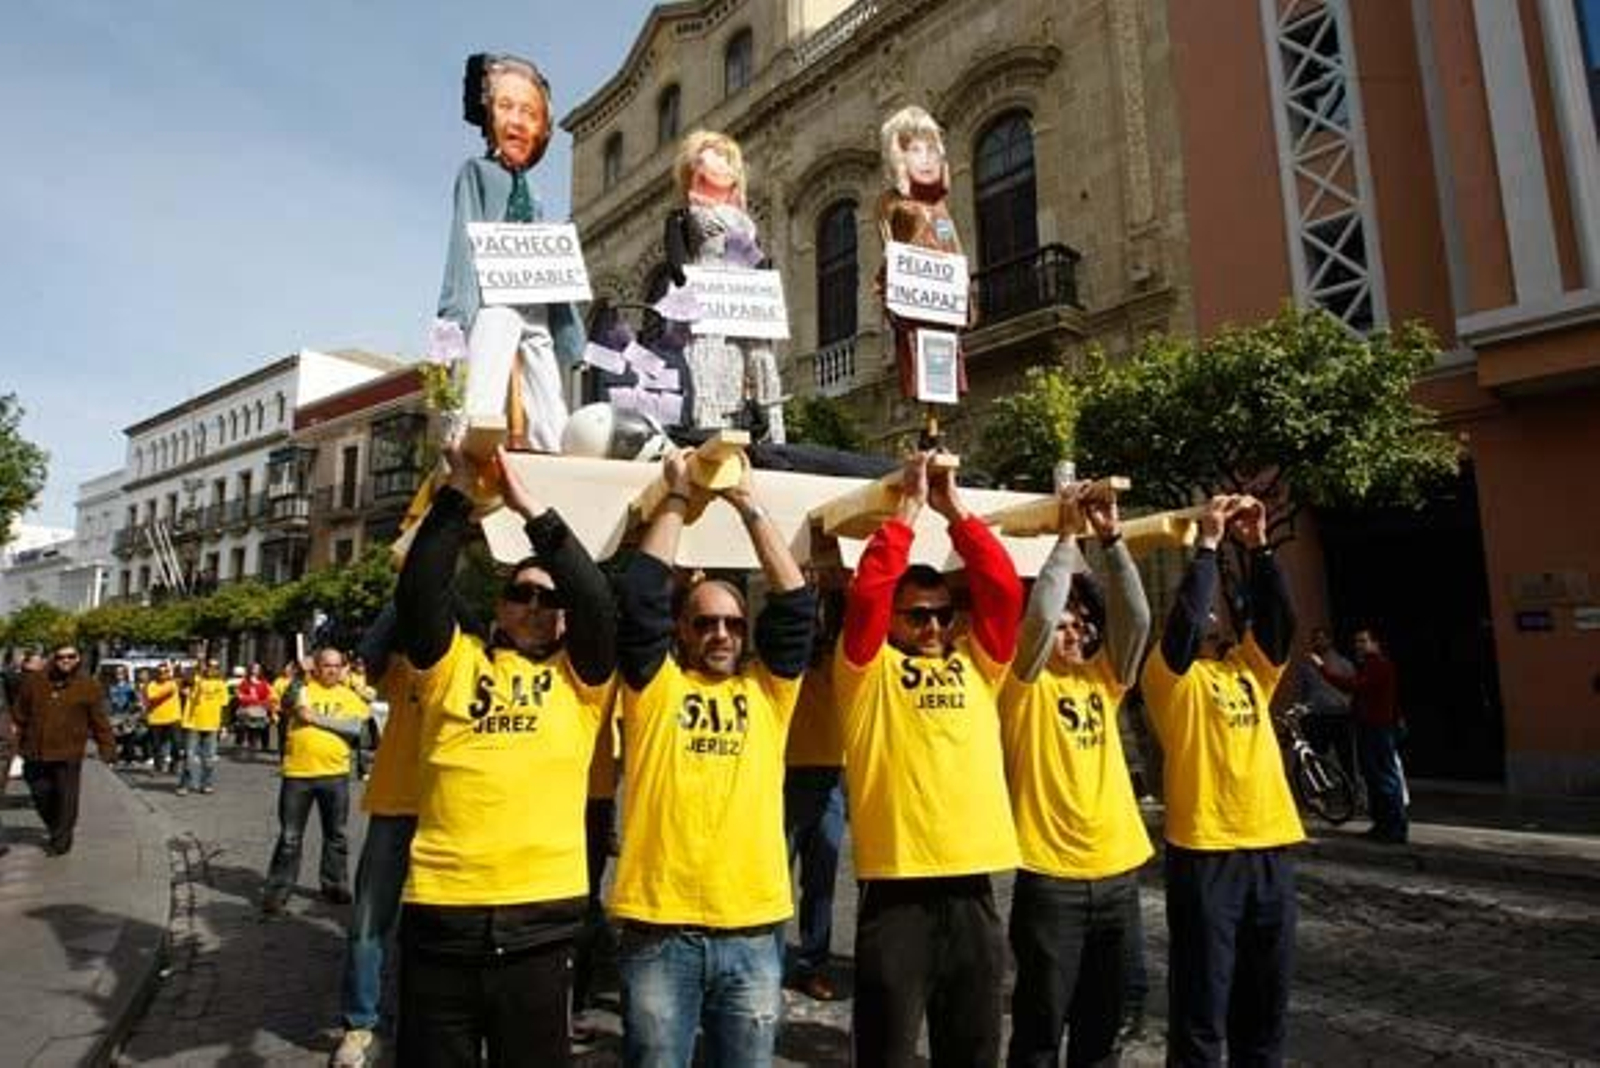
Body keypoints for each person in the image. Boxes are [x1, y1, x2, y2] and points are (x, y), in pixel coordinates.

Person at [394, 439, 617, 1066]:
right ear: (501, 604)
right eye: (523, 594)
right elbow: (418, 593)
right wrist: (459, 493)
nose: (538, 607)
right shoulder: (452, 665)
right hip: (442, 911)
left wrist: (529, 508)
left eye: (551, 600)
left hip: (541, 920)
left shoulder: (583, 684)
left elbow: (598, 600)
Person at [611, 448, 815, 1067]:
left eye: (732, 624)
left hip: (753, 930)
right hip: (659, 928)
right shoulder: (654, 688)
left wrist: (748, 501)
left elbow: (797, 604)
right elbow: (642, 596)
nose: (721, 634)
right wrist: (677, 496)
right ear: (683, 632)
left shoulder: (771, 692)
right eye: (704, 624)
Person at [834, 452, 1024, 1067]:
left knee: (973, 1050)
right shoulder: (867, 672)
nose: (936, 627)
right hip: (897, 894)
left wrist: (956, 511)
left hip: (974, 889)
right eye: (918, 615)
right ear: (894, 622)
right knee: (886, 1052)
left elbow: (1000, 589)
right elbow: (866, 596)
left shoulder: (979, 664)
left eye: (944, 614)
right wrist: (909, 511)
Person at [1140, 494, 1300, 1066]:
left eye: (1219, 609)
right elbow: (1182, 627)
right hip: (1206, 854)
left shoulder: (1253, 669)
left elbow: (1279, 618)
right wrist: (1206, 547)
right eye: (1203, 607)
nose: (1210, 615)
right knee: (1203, 1008)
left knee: (1267, 1006)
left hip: (1271, 850)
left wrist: (1256, 543)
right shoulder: (1168, 678)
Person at [999, 482, 1153, 1067]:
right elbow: (1038, 618)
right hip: (1051, 881)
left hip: (1117, 875)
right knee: (1041, 1027)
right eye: (1064, 624)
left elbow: (1136, 620)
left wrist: (1111, 538)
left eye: (1079, 624)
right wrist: (1066, 537)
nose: (1072, 633)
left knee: (1104, 1026)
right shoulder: (1021, 685)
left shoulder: (1103, 681)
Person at [439, 53, 584, 451]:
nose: (518, 121)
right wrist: (453, 316)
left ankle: (554, 444)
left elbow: (540, 247)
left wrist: (568, 319)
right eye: (506, 107)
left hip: (534, 297)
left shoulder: (534, 192)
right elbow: (463, 239)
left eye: (530, 112)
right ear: (489, 116)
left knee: (544, 369)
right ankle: (472, 437)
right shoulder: (476, 172)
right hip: (495, 293)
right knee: (490, 353)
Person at [663, 130, 785, 441]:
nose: (721, 163)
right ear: (694, 164)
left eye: (727, 158)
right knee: (711, 364)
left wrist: (765, 283)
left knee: (754, 362)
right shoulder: (683, 214)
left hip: (744, 300)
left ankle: (762, 426)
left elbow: (756, 257)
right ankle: (709, 426)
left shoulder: (745, 218)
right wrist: (687, 283)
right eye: (713, 154)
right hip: (708, 296)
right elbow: (676, 262)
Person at [779, 577, 847, 1001]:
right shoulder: (786, 662)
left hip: (829, 780)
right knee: (774, 878)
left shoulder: (840, 658)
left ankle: (813, 964)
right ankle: (767, 962)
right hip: (783, 777)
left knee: (820, 883)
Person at [262, 648, 369, 914]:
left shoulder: (348, 696)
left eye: (336, 665)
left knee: (337, 835)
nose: (331, 670)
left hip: (335, 774)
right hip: (298, 774)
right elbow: (287, 704)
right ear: (316, 667)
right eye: (326, 665)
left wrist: (316, 719)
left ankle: (334, 885)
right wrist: (299, 674)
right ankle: (277, 890)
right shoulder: (302, 689)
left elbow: (357, 729)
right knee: (289, 837)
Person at [10, 644, 116, 855]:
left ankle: (61, 838)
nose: (66, 660)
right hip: (35, 750)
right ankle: (56, 826)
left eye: (71, 656)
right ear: (53, 658)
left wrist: (107, 749)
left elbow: (99, 721)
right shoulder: (35, 682)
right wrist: (13, 743)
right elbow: (19, 714)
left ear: (78, 659)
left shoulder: (88, 686)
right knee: (41, 793)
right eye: (61, 657)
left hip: (68, 750)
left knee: (66, 796)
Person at [1319, 626, 1407, 844]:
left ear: (1375, 644)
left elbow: (1355, 687)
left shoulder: (1378, 665)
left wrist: (1323, 670)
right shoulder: (1368, 665)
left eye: (1363, 641)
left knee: (1385, 778)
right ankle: (1381, 825)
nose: (1358, 645)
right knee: (1374, 778)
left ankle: (1395, 828)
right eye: (1357, 641)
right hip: (1370, 727)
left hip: (1378, 728)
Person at [1296, 627, 1355, 778]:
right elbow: (1302, 691)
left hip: (1339, 716)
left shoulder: (1344, 663)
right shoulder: (1306, 666)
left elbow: (1353, 689)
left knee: (1346, 757)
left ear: (1329, 640)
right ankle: (1323, 792)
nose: (1318, 642)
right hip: (1316, 717)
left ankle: (1352, 792)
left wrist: (1346, 706)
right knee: (1318, 756)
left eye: (1321, 638)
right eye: (1315, 639)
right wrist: (1303, 714)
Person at [179, 660, 229, 796]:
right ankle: (184, 784)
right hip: (192, 723)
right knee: (189, 758)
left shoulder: (221, 684)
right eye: (210, 666)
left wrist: (224, 726)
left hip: (212, 725)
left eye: (215, 667)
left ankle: (206, 784)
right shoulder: (195, 679)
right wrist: (197, 666)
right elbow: (184, 679)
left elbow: (225, 706)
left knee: (209, 759)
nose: (212, 669)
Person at [144, 662, 183, 773]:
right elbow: (152, 697)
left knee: (177, 743)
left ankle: (174, 764)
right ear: (156, 673)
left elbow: (184, 682)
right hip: (156, 719)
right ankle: (158, 766)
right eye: (160, 672)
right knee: (156, 745)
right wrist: (167, 690)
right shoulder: (152, 685)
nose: (163, 674)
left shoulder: (173, 683)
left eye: (165, 672)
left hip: (173, 718)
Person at [235, 663, 274, 757]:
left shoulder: (263, 682)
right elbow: (239, 694)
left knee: (256, 730)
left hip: (259, 709)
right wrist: (249, 698)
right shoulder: (245, 681)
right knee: (247, 729)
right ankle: (246, 747)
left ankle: (253, 748)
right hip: (247, 708)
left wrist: (265, 702)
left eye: (258, 668)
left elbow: (268, 695)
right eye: (254, 668)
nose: (256, 670)